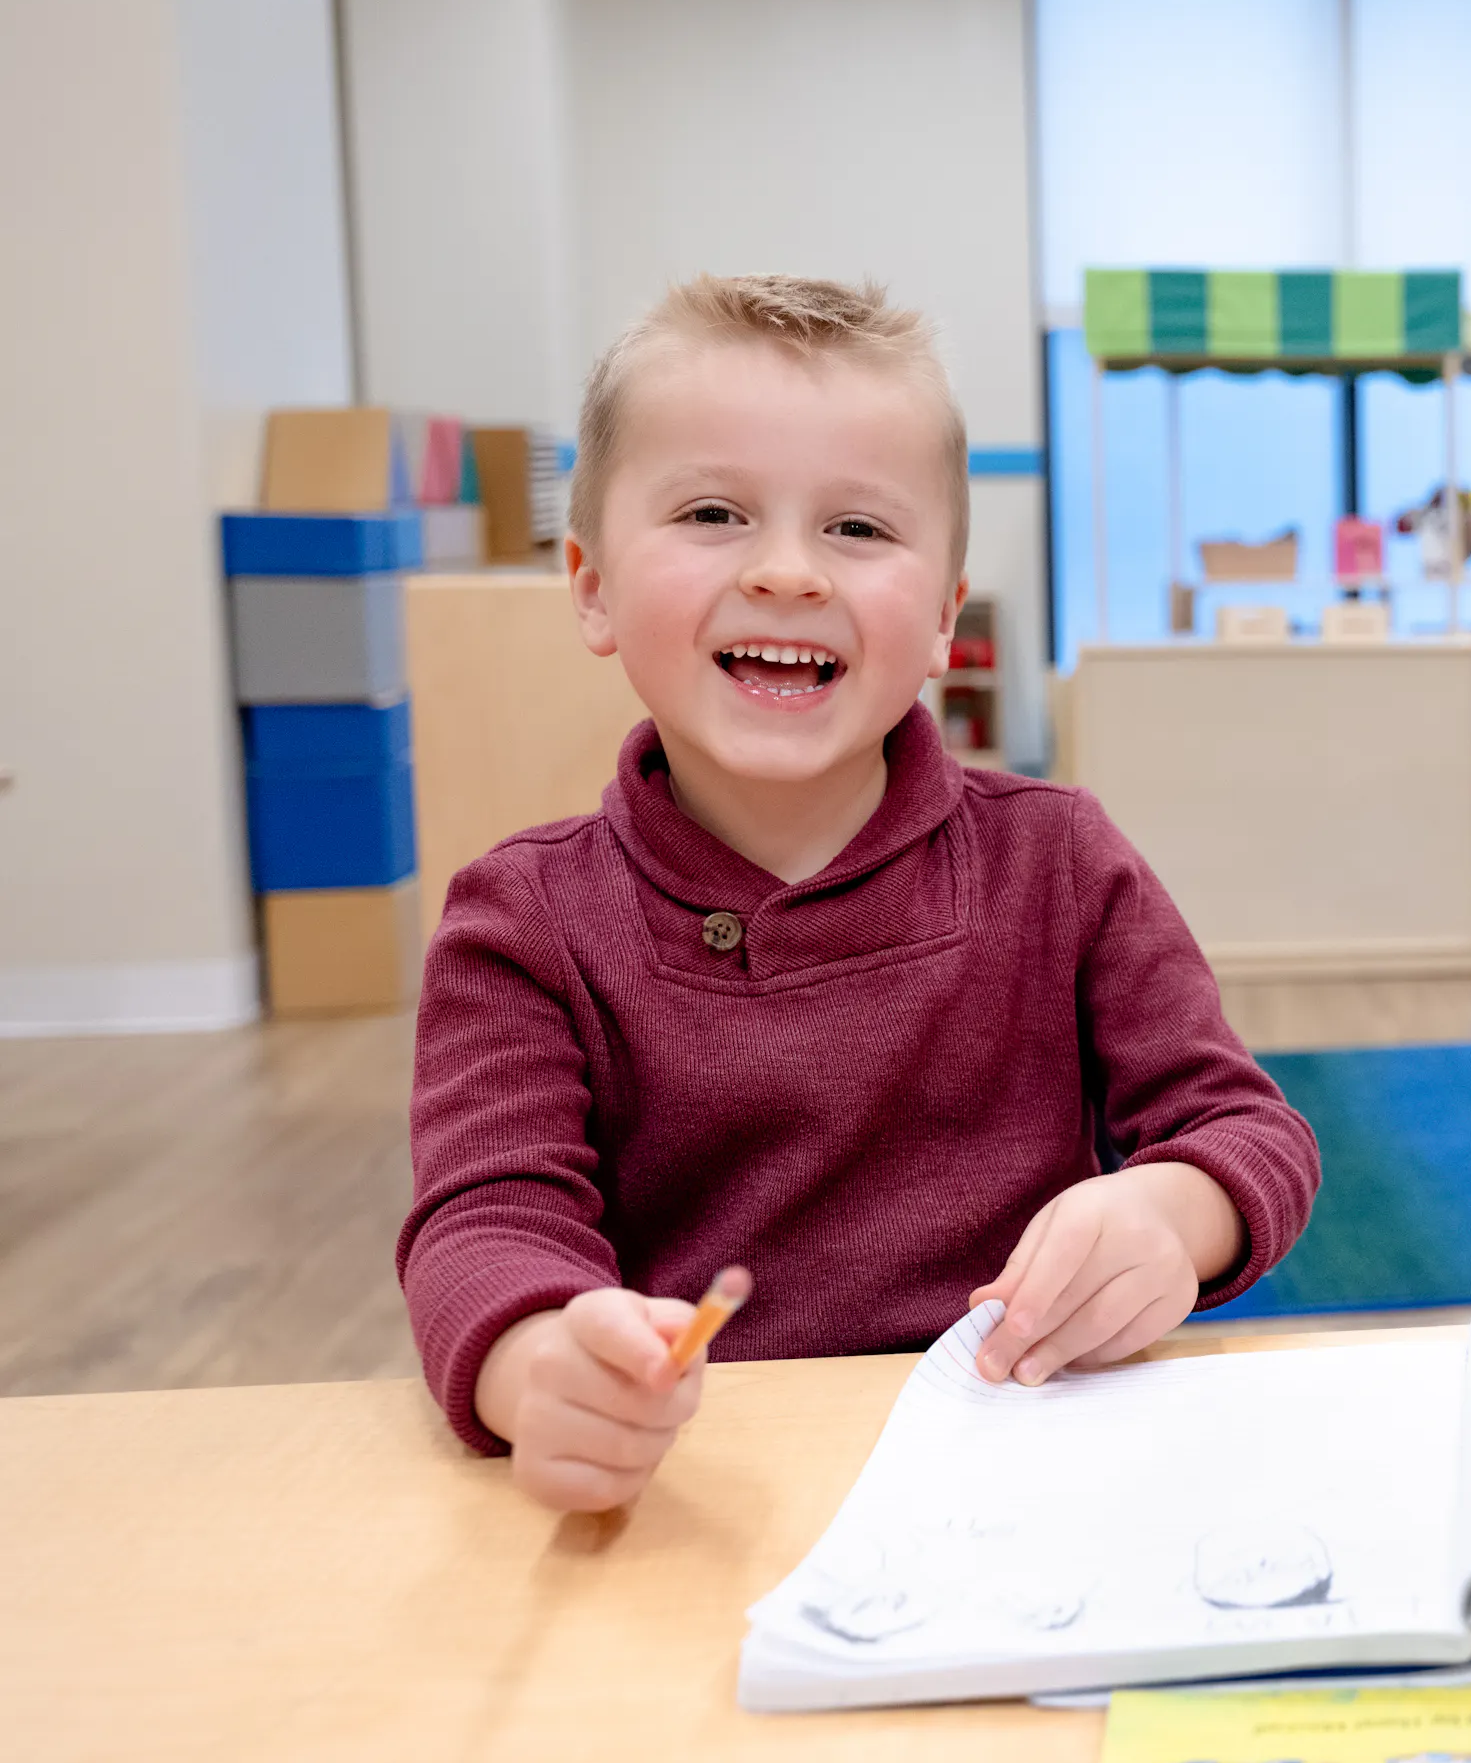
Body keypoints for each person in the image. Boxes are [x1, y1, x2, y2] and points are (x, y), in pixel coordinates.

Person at [398, 275, 1318, 1513]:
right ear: (593, 585)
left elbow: (1248, 1129)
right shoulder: (519, 922)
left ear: (942, 618)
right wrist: (537, 1364)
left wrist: (1171, 1211)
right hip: (697, 1497)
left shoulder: (1059, 859)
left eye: (857, 528)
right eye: (714, 512)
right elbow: (484, 1222)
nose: (787, 572)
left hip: (1028, 1469)